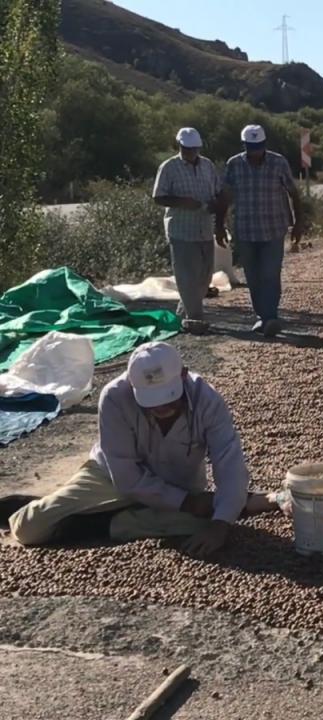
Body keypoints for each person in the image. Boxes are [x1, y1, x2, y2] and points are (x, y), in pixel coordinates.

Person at [1, 342, 274, 557]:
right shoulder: (114, 397)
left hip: (177, 482)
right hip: (110, 478)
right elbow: (126, 476)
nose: (161, 408)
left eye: (168, 398)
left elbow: (229, 461)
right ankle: (64, 506)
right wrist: (188, 503)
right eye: (151, 401)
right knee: (27, 529)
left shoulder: (207, 399)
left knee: (215, 521)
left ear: (183, 375)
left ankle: (98, 521)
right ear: (132, 386)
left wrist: (220, 525)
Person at [216, 124, 305, 338]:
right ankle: (262, 316)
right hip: (245, 230)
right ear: (244, 145)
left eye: (259, 147)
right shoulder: (234, 164)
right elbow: (225, 196)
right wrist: (219, 225)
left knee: (270, 274)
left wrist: (298, 222)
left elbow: (293, 193)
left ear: (264, 144)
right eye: (251, 147)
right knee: (253, 275)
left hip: (273, 228)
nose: (255, 152)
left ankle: (270, 316)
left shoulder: (278, 162)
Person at [152, 127, 220, 335]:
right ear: (180, 146)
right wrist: (182, 202)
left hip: (204, 228)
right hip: (181, 229)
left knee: (204, 277)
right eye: (187, 149)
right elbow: (158, 197)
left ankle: (183, 314)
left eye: (194, 148)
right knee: (187, 276)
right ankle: (195, 318)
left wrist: (217, 209)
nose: (191, 152)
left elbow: (217, 191)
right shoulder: (169, 167)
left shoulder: (207, 165)